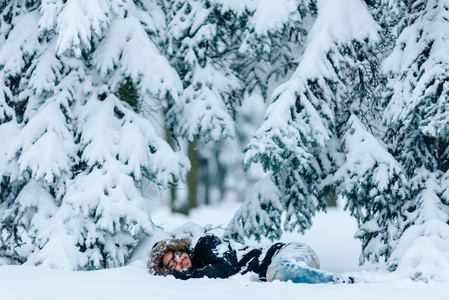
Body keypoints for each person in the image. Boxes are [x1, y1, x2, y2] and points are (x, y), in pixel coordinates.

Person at [148, 234, 353, 283]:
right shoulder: (199, 271)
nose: (179, 261)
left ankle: (339, 282)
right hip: (286, 267)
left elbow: (225, 269)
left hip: (290, 252)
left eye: (176, 255)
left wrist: (186, 275)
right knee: (278, 275)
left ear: (181, 248)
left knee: (279, 271)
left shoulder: (206, 243)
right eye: (172, 265)